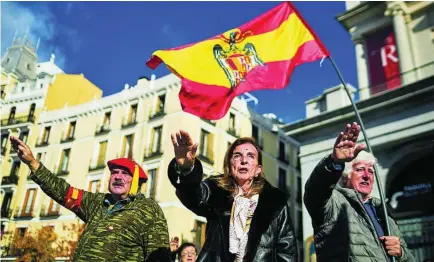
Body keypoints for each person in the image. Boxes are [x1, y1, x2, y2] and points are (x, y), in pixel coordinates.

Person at [10, 136, 171, 261]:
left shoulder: (148, 209)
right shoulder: (97, 203)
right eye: (114, 172)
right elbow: (63, 191)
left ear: (136, 181)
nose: (118, 177)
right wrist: (32, 162)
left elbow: (159, 257)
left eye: (125, 173)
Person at [167, 130, 298, 262]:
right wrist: (186, 168)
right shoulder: (214, 191)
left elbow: (287, 253)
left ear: (258, 170)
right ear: (229, 166)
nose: (244, 161)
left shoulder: (275, 203)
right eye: (237, 156)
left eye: (251, 156)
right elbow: (192, 197)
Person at [303, 122, 416, 261]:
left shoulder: (384, 214)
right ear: (346, 176)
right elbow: (315, 191)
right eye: (360, 169)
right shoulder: (334, 202)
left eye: (371, 171)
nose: (367, 175)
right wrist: (335, 162)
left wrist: (401, 253)